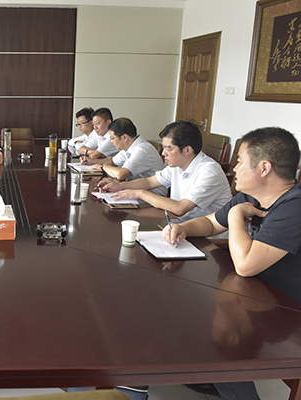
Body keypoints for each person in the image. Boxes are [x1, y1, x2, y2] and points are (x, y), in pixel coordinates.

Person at [162, 127, 301, 400]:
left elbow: (246, 265)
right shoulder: (250, 195)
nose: (234, 168)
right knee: (188, 318)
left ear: (264, 168)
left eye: (239, 161)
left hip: (286, 310)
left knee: (215, 348)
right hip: (253, 294)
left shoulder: (293, 206)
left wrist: (236, 215)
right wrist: (185, 228)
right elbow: (212, 223)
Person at [100, 120, 232, 220]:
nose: (163, 153)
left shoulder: (209, 172)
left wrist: (139, 193)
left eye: (168, 148)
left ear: (187, 150)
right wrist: (119, 186)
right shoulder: (177, 165)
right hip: (179, 226)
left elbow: (180, 208)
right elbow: (150, 182)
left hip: (206, 239)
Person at [79, 117, 167, 196]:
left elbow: (120, 174)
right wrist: (93, 161)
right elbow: (113, 161)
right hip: (135, 187)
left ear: (125, 137)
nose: (111, 141)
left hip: (153, 192)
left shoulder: (141, 150)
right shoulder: (129, 146)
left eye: (112, 138)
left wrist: (102, 166)